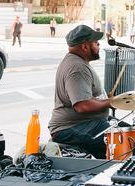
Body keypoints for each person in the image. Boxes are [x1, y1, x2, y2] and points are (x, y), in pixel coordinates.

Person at [48, 25, 112, 159]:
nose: (99, 44)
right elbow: (82, 105)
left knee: (125, 130)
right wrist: (110, 102)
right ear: (84, 47)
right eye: (95, 42)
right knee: (123, 142)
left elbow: (86, 96)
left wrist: (106, 99)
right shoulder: (77, 68)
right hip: (70, 128)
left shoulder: (77, 62)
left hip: (84, 123)